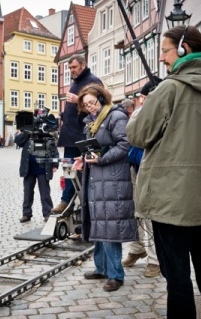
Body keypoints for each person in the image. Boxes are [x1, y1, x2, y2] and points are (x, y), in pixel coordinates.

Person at [126, 25, 201, 318]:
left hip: (170, 201)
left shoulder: (169, 89)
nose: (162, 58)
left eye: (164, 51)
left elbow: (137, 135)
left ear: (184, 49)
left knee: (177, 278)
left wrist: (142, 108)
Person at [72, 84, 137, 292]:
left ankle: (116, 275)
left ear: (101, 98)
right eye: (86, 105)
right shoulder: (91, 121)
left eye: (92, 102)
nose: (90, 107)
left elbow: (124, 145)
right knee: (97, 222)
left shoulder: (115, 116)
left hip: (113, 178)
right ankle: (101, 268)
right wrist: (83, 159)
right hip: (97, 176)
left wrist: (100, 159)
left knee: (110, 225)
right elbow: (93, 147)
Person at [52, 54, 103, 213]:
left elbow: (99, 107)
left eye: (74, 67)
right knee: (69, 170)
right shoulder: (76, 83)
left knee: (86, 173)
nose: (71, 70)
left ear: (83, 65)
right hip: (70, 137)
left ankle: (84, 208)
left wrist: (78, 101)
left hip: (85, 137)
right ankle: (66, 202)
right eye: (70, 68)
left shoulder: (93, 82)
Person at [122, 80, 162, 278]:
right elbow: (131, 133)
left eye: (143, 97)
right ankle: (138, 247)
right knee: (135, 211)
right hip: (136, 167)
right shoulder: (140, 111)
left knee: (150, 216)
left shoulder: (164, 111)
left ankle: (155, 259)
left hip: (154, 170)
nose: (141, 100)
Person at [15, 131, 59, 223]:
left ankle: (47, 213)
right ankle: (26, 214)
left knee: (45, 193)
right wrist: (27, 131)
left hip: (43, 169)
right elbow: (18, 141)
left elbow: (54, 150)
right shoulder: (27, 135)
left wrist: (55, 164)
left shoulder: (47, 135)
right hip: (28, 168)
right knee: (27, 193)